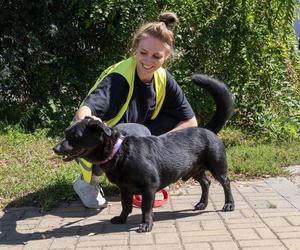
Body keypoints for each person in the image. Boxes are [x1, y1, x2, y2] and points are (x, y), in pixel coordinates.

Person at [73, 11, 198, 208]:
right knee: (140, 133)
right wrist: (89, 120)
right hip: (101, 145)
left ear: (166, 57)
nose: (148, 61)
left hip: (130, 140)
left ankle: (136, 174)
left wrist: (161, 149)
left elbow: (190, 122)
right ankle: (87, 182)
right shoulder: (119, 78)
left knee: (163, 128)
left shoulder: (164, 78)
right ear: (135, 49)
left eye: (156, 56)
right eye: (143, 53)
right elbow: (83, 111)